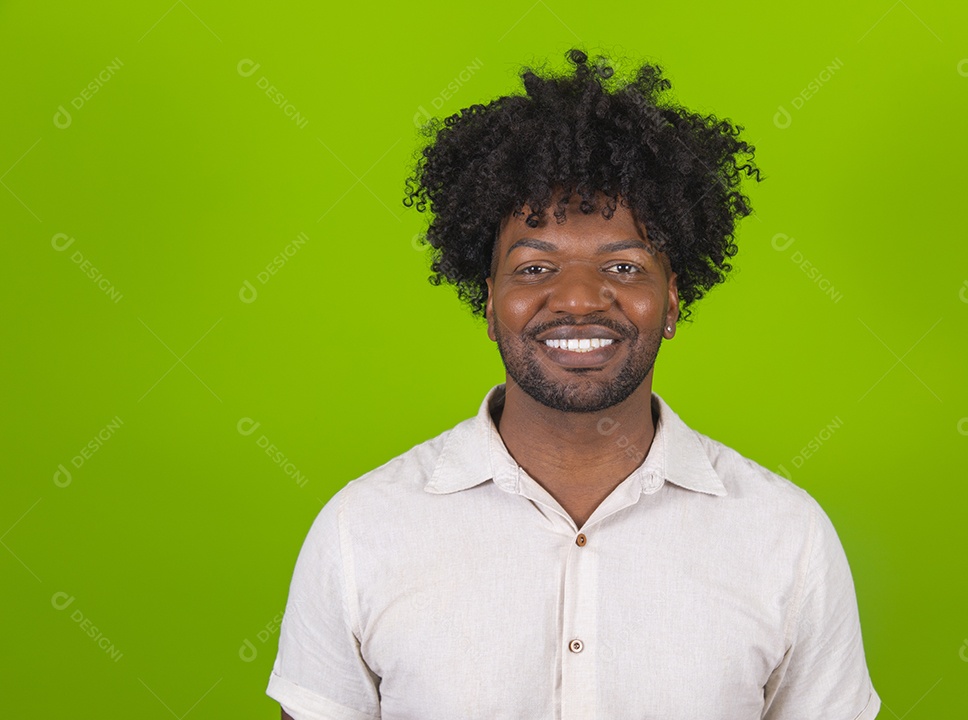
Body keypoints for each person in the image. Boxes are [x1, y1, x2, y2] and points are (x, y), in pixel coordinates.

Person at [267, 48, 881, 719]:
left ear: (672, 301)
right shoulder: (362, 530)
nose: (580, 300)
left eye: (622, 268)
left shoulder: (786, 536)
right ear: (490, 304)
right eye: (534, 269)